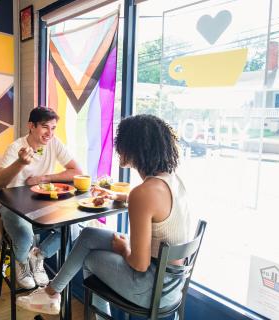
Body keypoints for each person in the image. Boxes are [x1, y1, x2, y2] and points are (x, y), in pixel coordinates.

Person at [16, 114, 192, 316]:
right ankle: (51, 293)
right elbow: (157, 208)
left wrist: (125, 248)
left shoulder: (143, 194)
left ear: (135, 147)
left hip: (150, 288)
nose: (117, 149)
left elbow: (139, 264)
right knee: (89, 234)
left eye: (121, 143)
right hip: (171, 284)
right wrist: (118, 195)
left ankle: (59, 298)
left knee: (90, 258)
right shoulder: (171, 181)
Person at [0, 107, 82, 289]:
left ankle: (38, 256)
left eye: (53, 127)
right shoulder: (16, 148)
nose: (49, 133)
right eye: (44, 127)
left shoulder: (54, 143)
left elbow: (77, 171)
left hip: (43, 206)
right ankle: (22, 262)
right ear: (31, 126)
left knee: (73, 229)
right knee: (25, 235)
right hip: (13, 206)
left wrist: (44, 178)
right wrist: (20, 163)